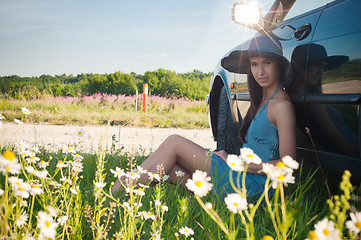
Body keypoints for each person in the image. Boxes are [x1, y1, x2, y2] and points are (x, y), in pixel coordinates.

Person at [112, 34, 296, 198]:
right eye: (254, 64)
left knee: (174, 142)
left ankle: (113, 193)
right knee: (168, 168)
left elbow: (288, 166)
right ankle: (122, 189)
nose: (260, 71)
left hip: (256, 187)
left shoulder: (281, 106)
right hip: (244, 177)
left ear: (279, 65)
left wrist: (237, 163)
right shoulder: (263, 100)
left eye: (267, 63)